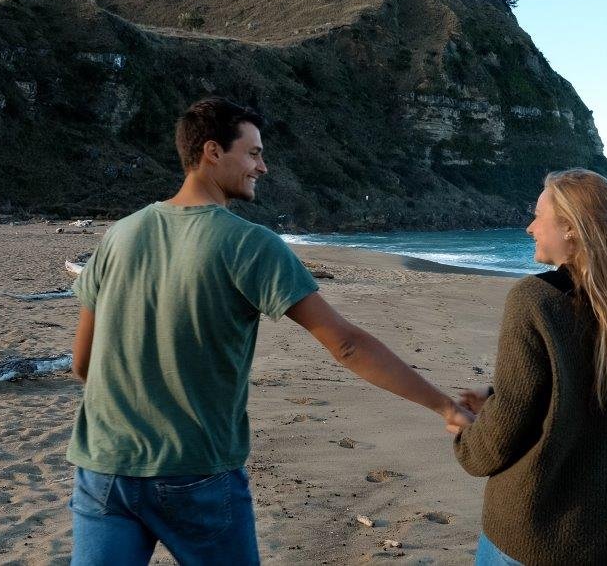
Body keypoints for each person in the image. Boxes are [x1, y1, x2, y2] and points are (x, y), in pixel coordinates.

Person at [66, 97, 471, 565]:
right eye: (254, 153)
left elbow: (82, 364)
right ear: (213, 152)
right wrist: (444, 405)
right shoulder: (248, 243)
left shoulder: (120, 234)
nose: (263, 166)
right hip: (195, 472)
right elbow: (346, 343)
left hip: (103, 467)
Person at [451, 168, 607, 566]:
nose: (529, 227)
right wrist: (496, 395)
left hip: (541, 539)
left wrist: (465, 435)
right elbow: (584, 391)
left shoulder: (534, 300)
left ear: (572, 229)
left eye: (539, 216)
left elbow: (503, 434)